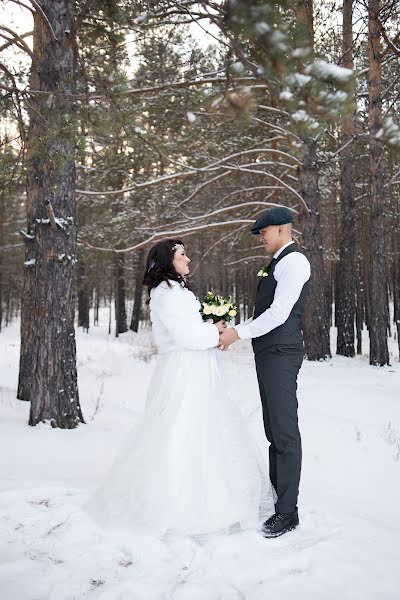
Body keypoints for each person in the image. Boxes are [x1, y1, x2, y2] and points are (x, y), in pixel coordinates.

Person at [85, 238, 273, 538]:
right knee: (180, 431)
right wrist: (215, 331)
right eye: (182, 254)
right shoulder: (166, 293)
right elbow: (185, 335)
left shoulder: (178, 290)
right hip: (184, 371)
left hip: (198, 368)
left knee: (207, 431)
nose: (188, 258)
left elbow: (191, 327)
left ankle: (219, 501)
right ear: (167, 262)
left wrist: (213, 325)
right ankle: (179, 508)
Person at [219, 207, 311, 538]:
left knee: (284, 431)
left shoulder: (295, 262)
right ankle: (279, 500)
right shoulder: (275, 263)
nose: (261, 239)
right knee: (273, 429)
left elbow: (279, 313)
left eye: (264, 233)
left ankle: (288, 512)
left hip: (282, 352)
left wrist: (238, 334)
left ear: (281, 230)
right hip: (268, 352)